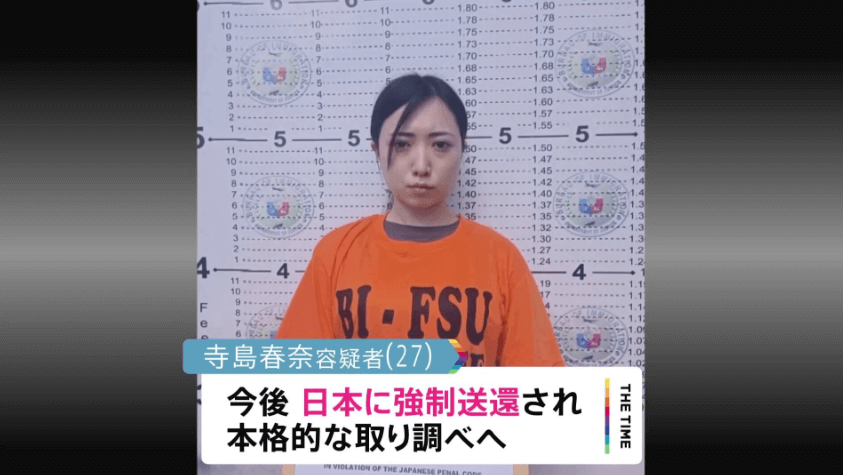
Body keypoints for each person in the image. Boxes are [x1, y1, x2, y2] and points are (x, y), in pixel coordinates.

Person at [275, 74, 563, 367]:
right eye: (401, 144)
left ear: (462, 150)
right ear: (376, 150)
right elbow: (295, 372)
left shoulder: (501, 258)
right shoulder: (335, 254)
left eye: (440, 145)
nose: (422, 166)